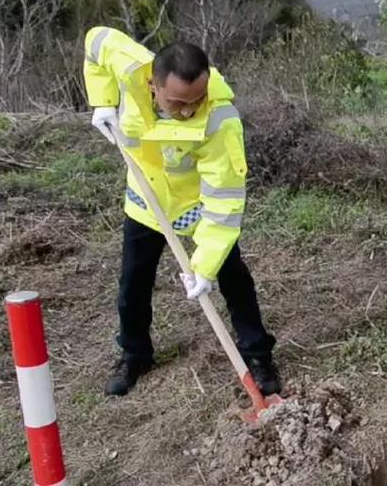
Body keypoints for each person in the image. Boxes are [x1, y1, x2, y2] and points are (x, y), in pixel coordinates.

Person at [83, 26, 280, 397]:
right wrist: (103, 101)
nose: (189, 109)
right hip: (146, 204)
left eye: (197, 99)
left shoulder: (220, 119)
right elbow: (95, 41)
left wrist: (203, 266)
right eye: (177, 102)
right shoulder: (128, 68)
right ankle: (134, 354)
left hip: (195, 208)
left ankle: (257, 354)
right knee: (133, 285)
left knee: (233, 279)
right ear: (153, 85)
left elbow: (223, 202)